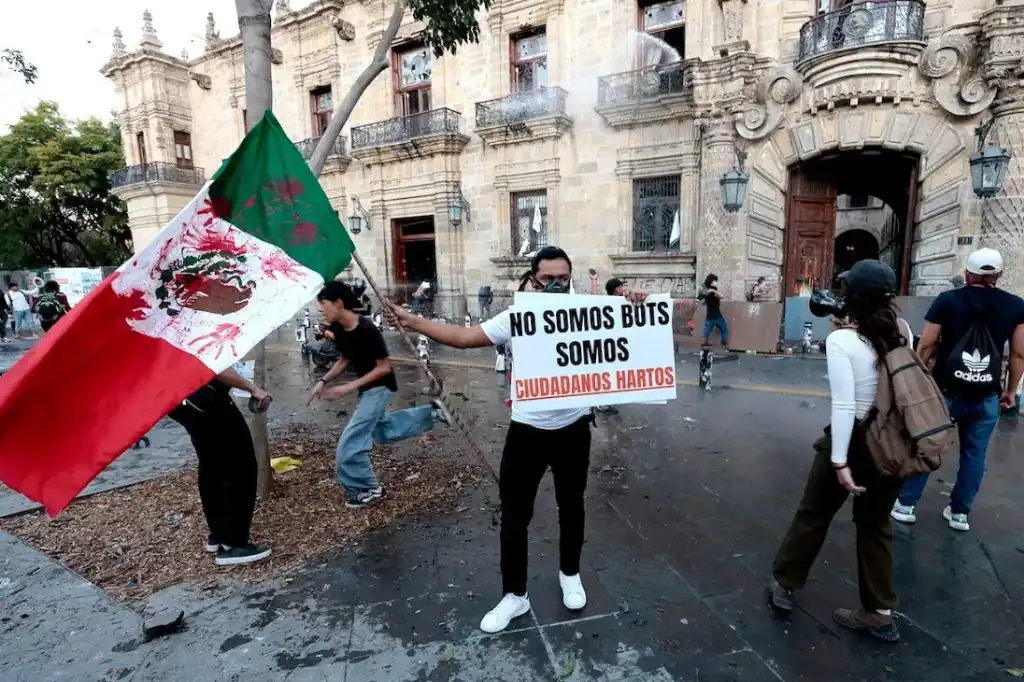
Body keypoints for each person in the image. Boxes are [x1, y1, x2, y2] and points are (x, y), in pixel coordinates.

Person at [386, 246, 646, 635]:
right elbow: (463, 336)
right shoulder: (518, 316)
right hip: (526, 430)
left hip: (574, 428)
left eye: (563, 278)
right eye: (548, 279)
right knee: (513, 516)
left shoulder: (591, 313)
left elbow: (636, 328)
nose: (557, 285)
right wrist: (415, 322)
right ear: (532, 279)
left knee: (571, 506)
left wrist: (636, 300)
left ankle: (570, 574)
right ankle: (514, 595)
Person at [769, 260, 907, 643]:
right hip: (892, 443)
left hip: (854, 442)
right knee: (877, 526)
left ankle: (784, 583)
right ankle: (880, 611)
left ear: (851, 297)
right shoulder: (903, 330)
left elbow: (846, 406)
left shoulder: (842, 341)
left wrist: (840, 460)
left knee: (813, 513)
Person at [891, 248, 1024, 532]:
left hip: (945, 392)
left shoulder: (948, 300)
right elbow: (1019, 354)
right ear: (999, 275)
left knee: (927, 444)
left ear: (967, 273)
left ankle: (906, 504)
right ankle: (960, 513)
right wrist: (1010, 390)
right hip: (986, 394)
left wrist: (916, 377)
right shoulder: (1016, 305)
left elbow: (926, 343)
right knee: (975, 455)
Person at [309, 281, 451, 508]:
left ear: (338, 303)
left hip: (380, 387)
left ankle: (367, 488)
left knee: (351, 441)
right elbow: (346, 358)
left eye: (323, 303)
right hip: (368, 390)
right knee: (383, 431)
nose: (319, 308)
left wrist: (347, 387)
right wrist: (323, 381)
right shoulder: (338, 327)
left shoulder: (367, 329)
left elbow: (384, 368)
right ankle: (433, 413)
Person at [168, 367, 273, 566]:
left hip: (184, 398)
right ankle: (234, 543)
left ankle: (218, 534)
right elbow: (212, 366)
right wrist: (252, 388)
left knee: (212, 464)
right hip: (205, 397)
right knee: (241, 467)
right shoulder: (191, 336)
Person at [700, 274, 728, 347]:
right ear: (712, 282)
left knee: (707, 331)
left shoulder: (705, 290)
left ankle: (704, 342)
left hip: (709, 316)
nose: (716, 283)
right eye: (716, 281)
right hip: (717, 316)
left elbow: (702, 300)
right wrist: (714, 290)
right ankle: (723, 344)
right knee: (724, 329)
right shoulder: (713, 290)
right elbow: (722, 296)